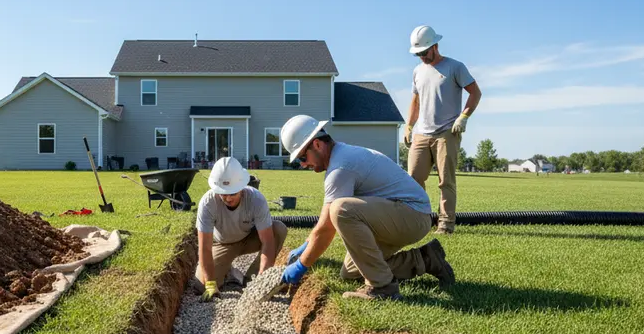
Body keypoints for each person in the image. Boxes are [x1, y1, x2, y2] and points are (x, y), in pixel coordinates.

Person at [278, 115, 455, 301]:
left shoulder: (340, 168)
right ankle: (426, 259)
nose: (304, 165)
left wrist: (301, 266)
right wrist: (306, 244)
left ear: (317, 145)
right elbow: (323, 224)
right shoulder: (341, 157)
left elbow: (327, 228)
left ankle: (383, 287)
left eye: (302, 158)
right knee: (352, 272)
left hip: (412, 215)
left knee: (340, 209)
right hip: (401, 215)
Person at [404, 25, 482, 235]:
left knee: (445, 180)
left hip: (447, 132)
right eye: (418, 54)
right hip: (421, 133)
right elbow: (416, 100)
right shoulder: (418, 71)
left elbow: (475, 93)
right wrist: (409, 125)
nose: (421, 57)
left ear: (435, 46)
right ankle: (417, 221)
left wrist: (464, 117)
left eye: (424, 52)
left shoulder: (455, 67)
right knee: (413, 180)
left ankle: (445, 225)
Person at [194, 156, 287, 300]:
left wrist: (262, 282)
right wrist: (211, 284)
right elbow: (205, 248)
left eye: (233, 193)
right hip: (223, 244)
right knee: (201, 285)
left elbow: (268, 242)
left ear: (242, 188)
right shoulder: (207, 203)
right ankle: (230, 272)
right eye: (223, 194)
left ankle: (252, 280)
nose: (228, 198)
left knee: (278, 229)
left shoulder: (256, 199)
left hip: (249, 238)